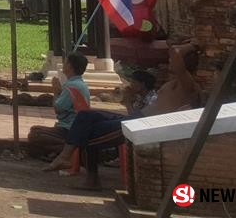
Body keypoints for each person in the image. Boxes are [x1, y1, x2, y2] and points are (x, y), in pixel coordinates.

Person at [46, 44, 200, 182]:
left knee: (88, 134)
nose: (171, 61)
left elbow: (175, 52)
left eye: (175, 60)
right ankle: (65, 157)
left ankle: (87, 176)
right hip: (135, 117)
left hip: (143, 123)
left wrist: (192, 45)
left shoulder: (188, 86)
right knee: (86, 116)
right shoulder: (173, 84)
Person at [27, 52, 91, 159]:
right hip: (75, 127)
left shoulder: (71, 85)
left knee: (35, 134)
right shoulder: (80, 84)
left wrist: (55, 91)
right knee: (35, 130)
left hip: (69, 129)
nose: (64, 65)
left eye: (65, 63)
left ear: (70, 66)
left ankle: (69, 149)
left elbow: (58, 109)